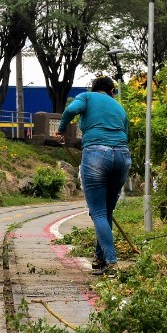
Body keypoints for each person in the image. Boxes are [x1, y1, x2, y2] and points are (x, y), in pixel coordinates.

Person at [57, 75, 130, 276]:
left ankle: (112, 262)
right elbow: (126, 134)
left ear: (93, 89)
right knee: (106, 212)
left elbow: (71, 110)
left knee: (98, 212)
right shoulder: (119, 108)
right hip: (122, 156)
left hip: (97, 154)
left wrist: (62, 130)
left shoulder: (87, 97)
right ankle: (99, 260)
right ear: (112, 92)